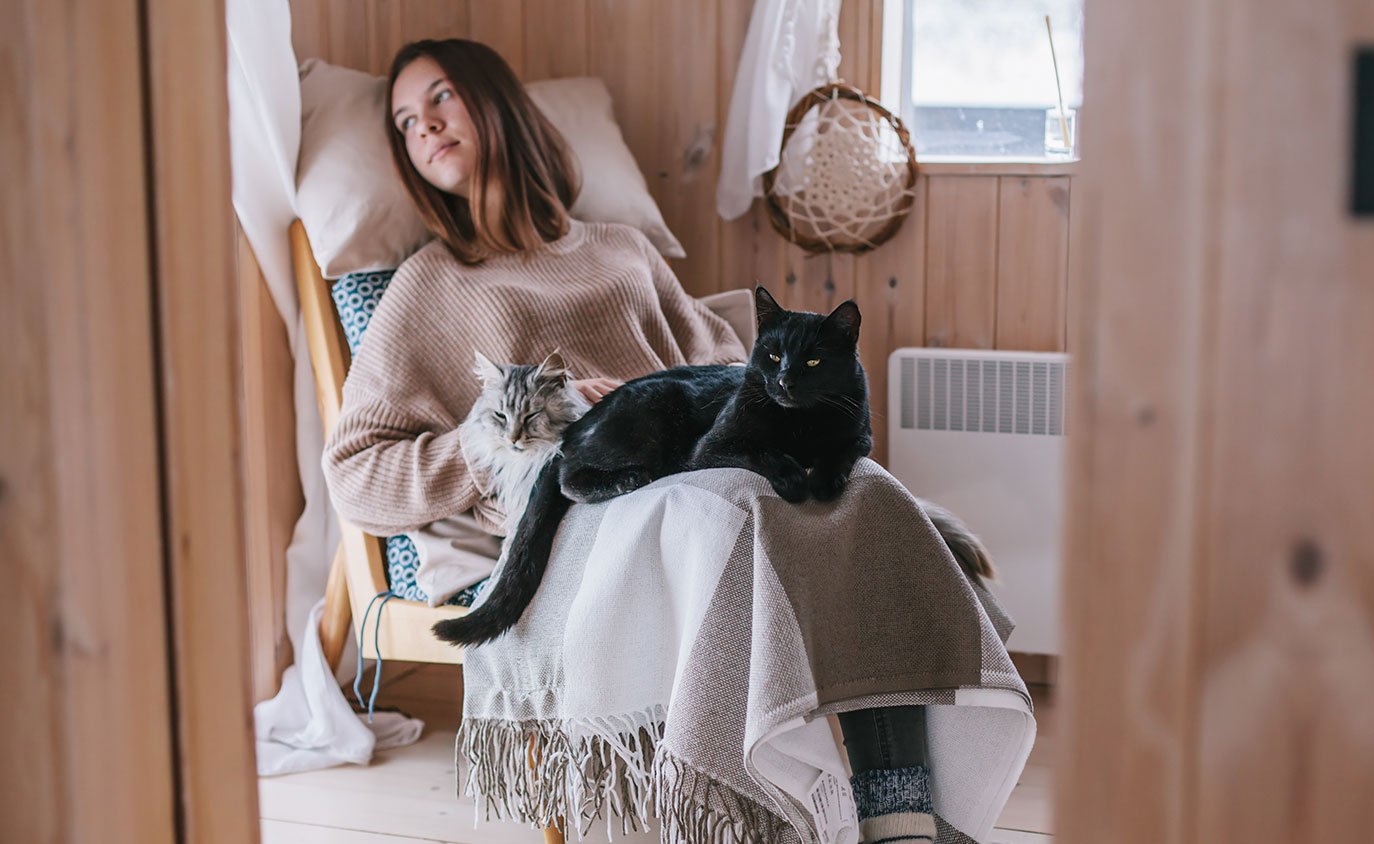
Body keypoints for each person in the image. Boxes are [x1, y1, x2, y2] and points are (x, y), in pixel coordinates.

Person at [322, 39, 936, 844]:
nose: (423, 127)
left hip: (701, 468)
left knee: (867, 500)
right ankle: (755, 818)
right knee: (723, 529)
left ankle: (902, 818)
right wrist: (511, 435)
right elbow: (355, 475)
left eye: (439, 99)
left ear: (497, 106)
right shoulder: (431, 286)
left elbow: (729, 367)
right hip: (591, 508)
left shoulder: (622, 249)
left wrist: (674, 404)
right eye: (404, 123)